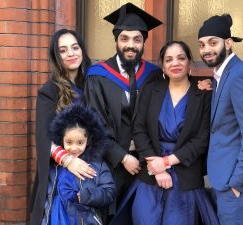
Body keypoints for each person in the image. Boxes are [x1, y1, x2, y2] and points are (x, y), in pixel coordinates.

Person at [110, 41, 219, 225]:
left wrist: (167, 162)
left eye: (181, 58)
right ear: (163, 65)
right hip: (150, 174)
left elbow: (202, 139)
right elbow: (139, 129)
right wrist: (157, 167)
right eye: (168, 59)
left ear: (189, 61)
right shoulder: (151, 89)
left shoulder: (204, 93)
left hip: (185, 174)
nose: (175, 63)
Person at [83, 2, 162, 214]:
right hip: (111, 165)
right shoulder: (98, 75)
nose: (131, 45)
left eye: (137, 39)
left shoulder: (154, 75)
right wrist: (122, 157)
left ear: (144, 42)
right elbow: (94, 125)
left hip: (147, 165)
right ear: (116, 40)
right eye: (124, 38)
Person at [198, 14, 243, 225]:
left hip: (234, 182)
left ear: (228, 43)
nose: (206, 49)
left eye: (213, 42)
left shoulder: (239, 75)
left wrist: (237, 183)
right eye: (201, 45)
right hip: (223, 176)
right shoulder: (222, 75)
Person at [29, 29, 96, 225]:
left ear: (82, 50)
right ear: (56, 57)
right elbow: (43, 137)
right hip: (61, 173)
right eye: (63, 50)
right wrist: (68, 161)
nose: (71, 53)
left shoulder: (94, 84)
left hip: (91, 169)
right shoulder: (49, 91)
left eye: (75, 47)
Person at [45, 103, 116, 225]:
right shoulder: (54, 164)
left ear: (88, 141)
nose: (74, 148)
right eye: (69, 142)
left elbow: (109, 192)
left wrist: (86, 196)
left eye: (80, 143)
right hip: (55, 218)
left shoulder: (97, 165)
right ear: (61, 139)